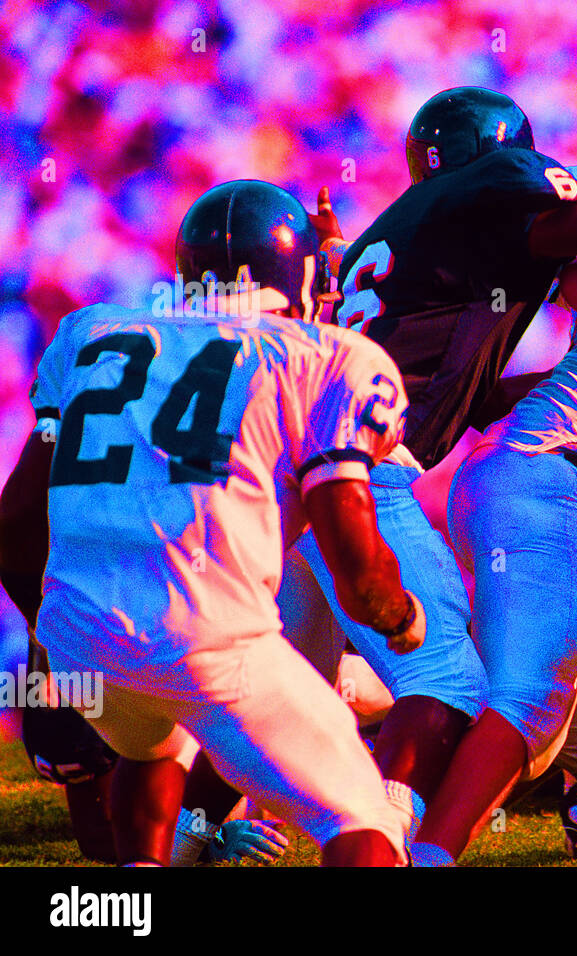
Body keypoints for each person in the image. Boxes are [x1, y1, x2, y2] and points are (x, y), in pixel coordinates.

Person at [0, 179, 423, 866]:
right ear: (304, 276)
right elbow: (355, 570)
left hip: (79, 637)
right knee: (364, 820)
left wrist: (51, 646)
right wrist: (400, 615)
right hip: (207, 637)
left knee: (153, 740)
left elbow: (18, 520)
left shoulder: (94, 334)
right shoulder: (322, 357)